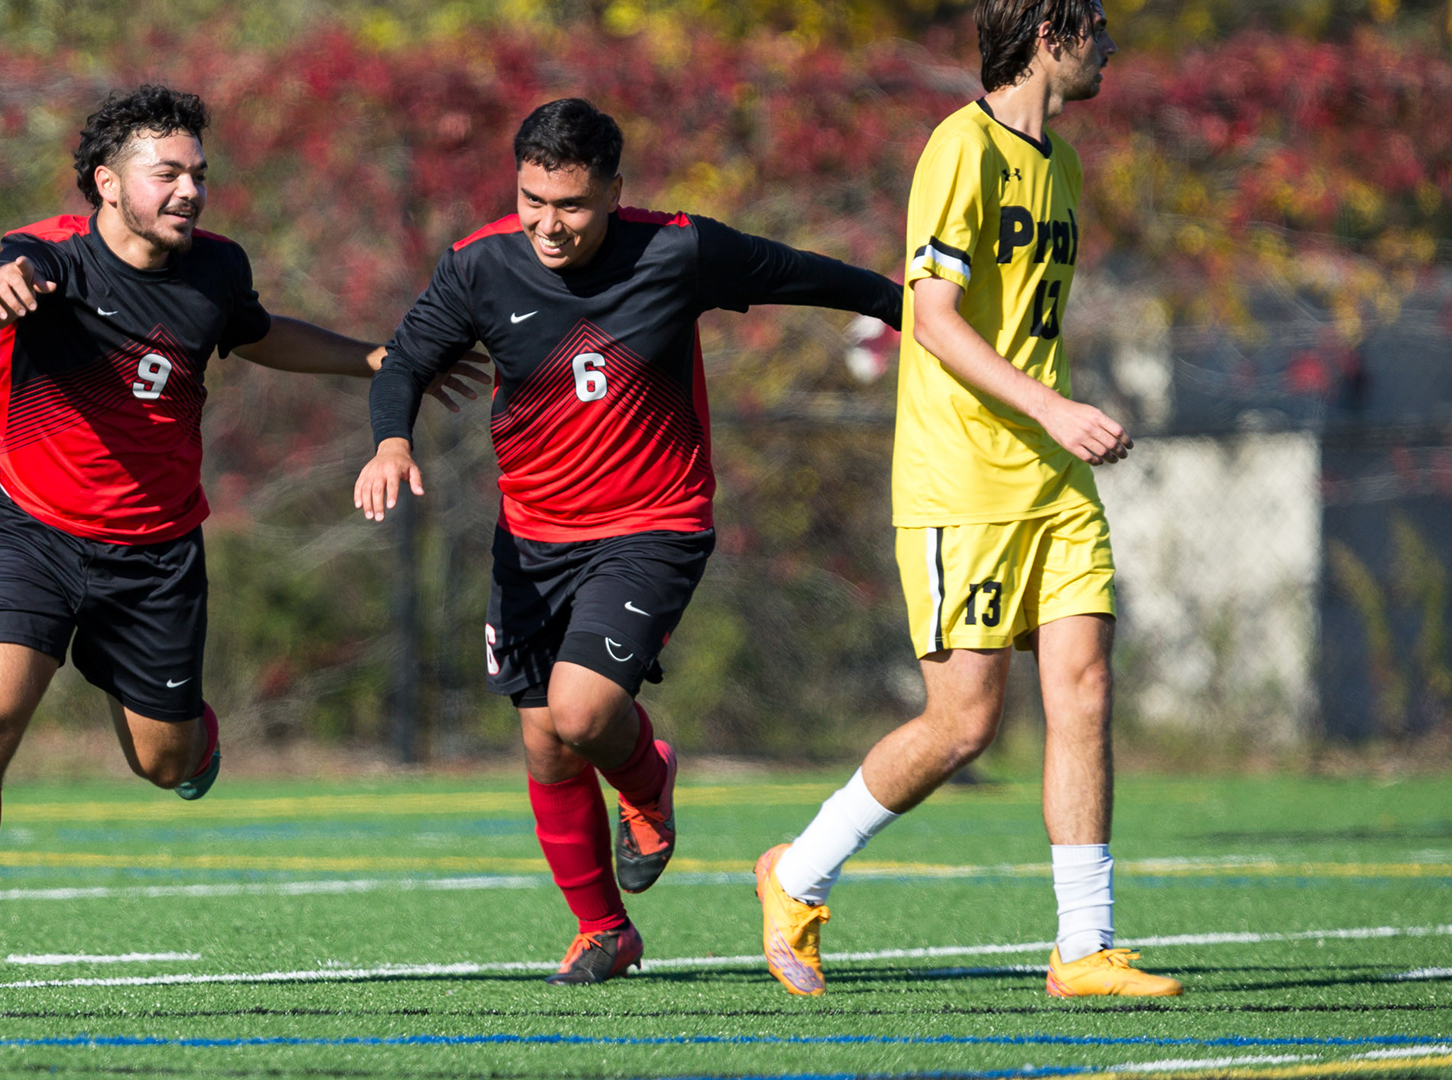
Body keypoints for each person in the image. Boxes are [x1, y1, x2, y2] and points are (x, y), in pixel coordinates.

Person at [0, 84, 484, 990]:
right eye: (168, 174)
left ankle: (195, 736)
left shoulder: (215, 272)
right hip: (28, 531)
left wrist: (375, 358)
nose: (189, 191)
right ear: (107, 184)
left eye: (199, 174)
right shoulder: (49, 256)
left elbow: (259, 334)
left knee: (166, 764)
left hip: (154, 555)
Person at [356, 98, 902, 985]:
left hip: (653, 524)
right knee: (544, 741)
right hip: (530, 538)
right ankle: (606, 930)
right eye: (533, 199)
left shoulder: (677, 249)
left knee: (581, 713)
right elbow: (408, 360)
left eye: (570, 204)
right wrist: (390, 441)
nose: (548, 223)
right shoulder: (478, 265)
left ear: (614, 190)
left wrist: (916, 313)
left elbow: (815, 277)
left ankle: (647, 784)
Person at [754, 0, 1181, 998]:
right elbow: (933, 319)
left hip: (1052, 479)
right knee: (964, 725)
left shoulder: (1064, 168)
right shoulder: (961, 146)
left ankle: (1084, 948)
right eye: (1098, 28)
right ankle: (798, 873)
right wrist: (1056, 407)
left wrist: (1058, 424)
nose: (1111, 46)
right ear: (1048, 34)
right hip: (963, 480)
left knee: (1085, 685)